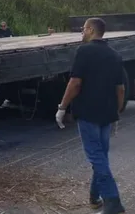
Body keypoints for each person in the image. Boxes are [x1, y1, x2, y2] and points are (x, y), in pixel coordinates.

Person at [55, 18, 125, 214]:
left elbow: (75, 83)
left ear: (92, 30)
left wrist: (62, 107)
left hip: (88, 113)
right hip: (107, 113)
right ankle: (95, 198)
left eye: (84, 29)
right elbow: (120, 89)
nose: (82, 32)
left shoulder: (83, 51)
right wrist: (116, 114)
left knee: (96, 156)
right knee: (101, 156)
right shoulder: (115, 55)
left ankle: (112, 201)